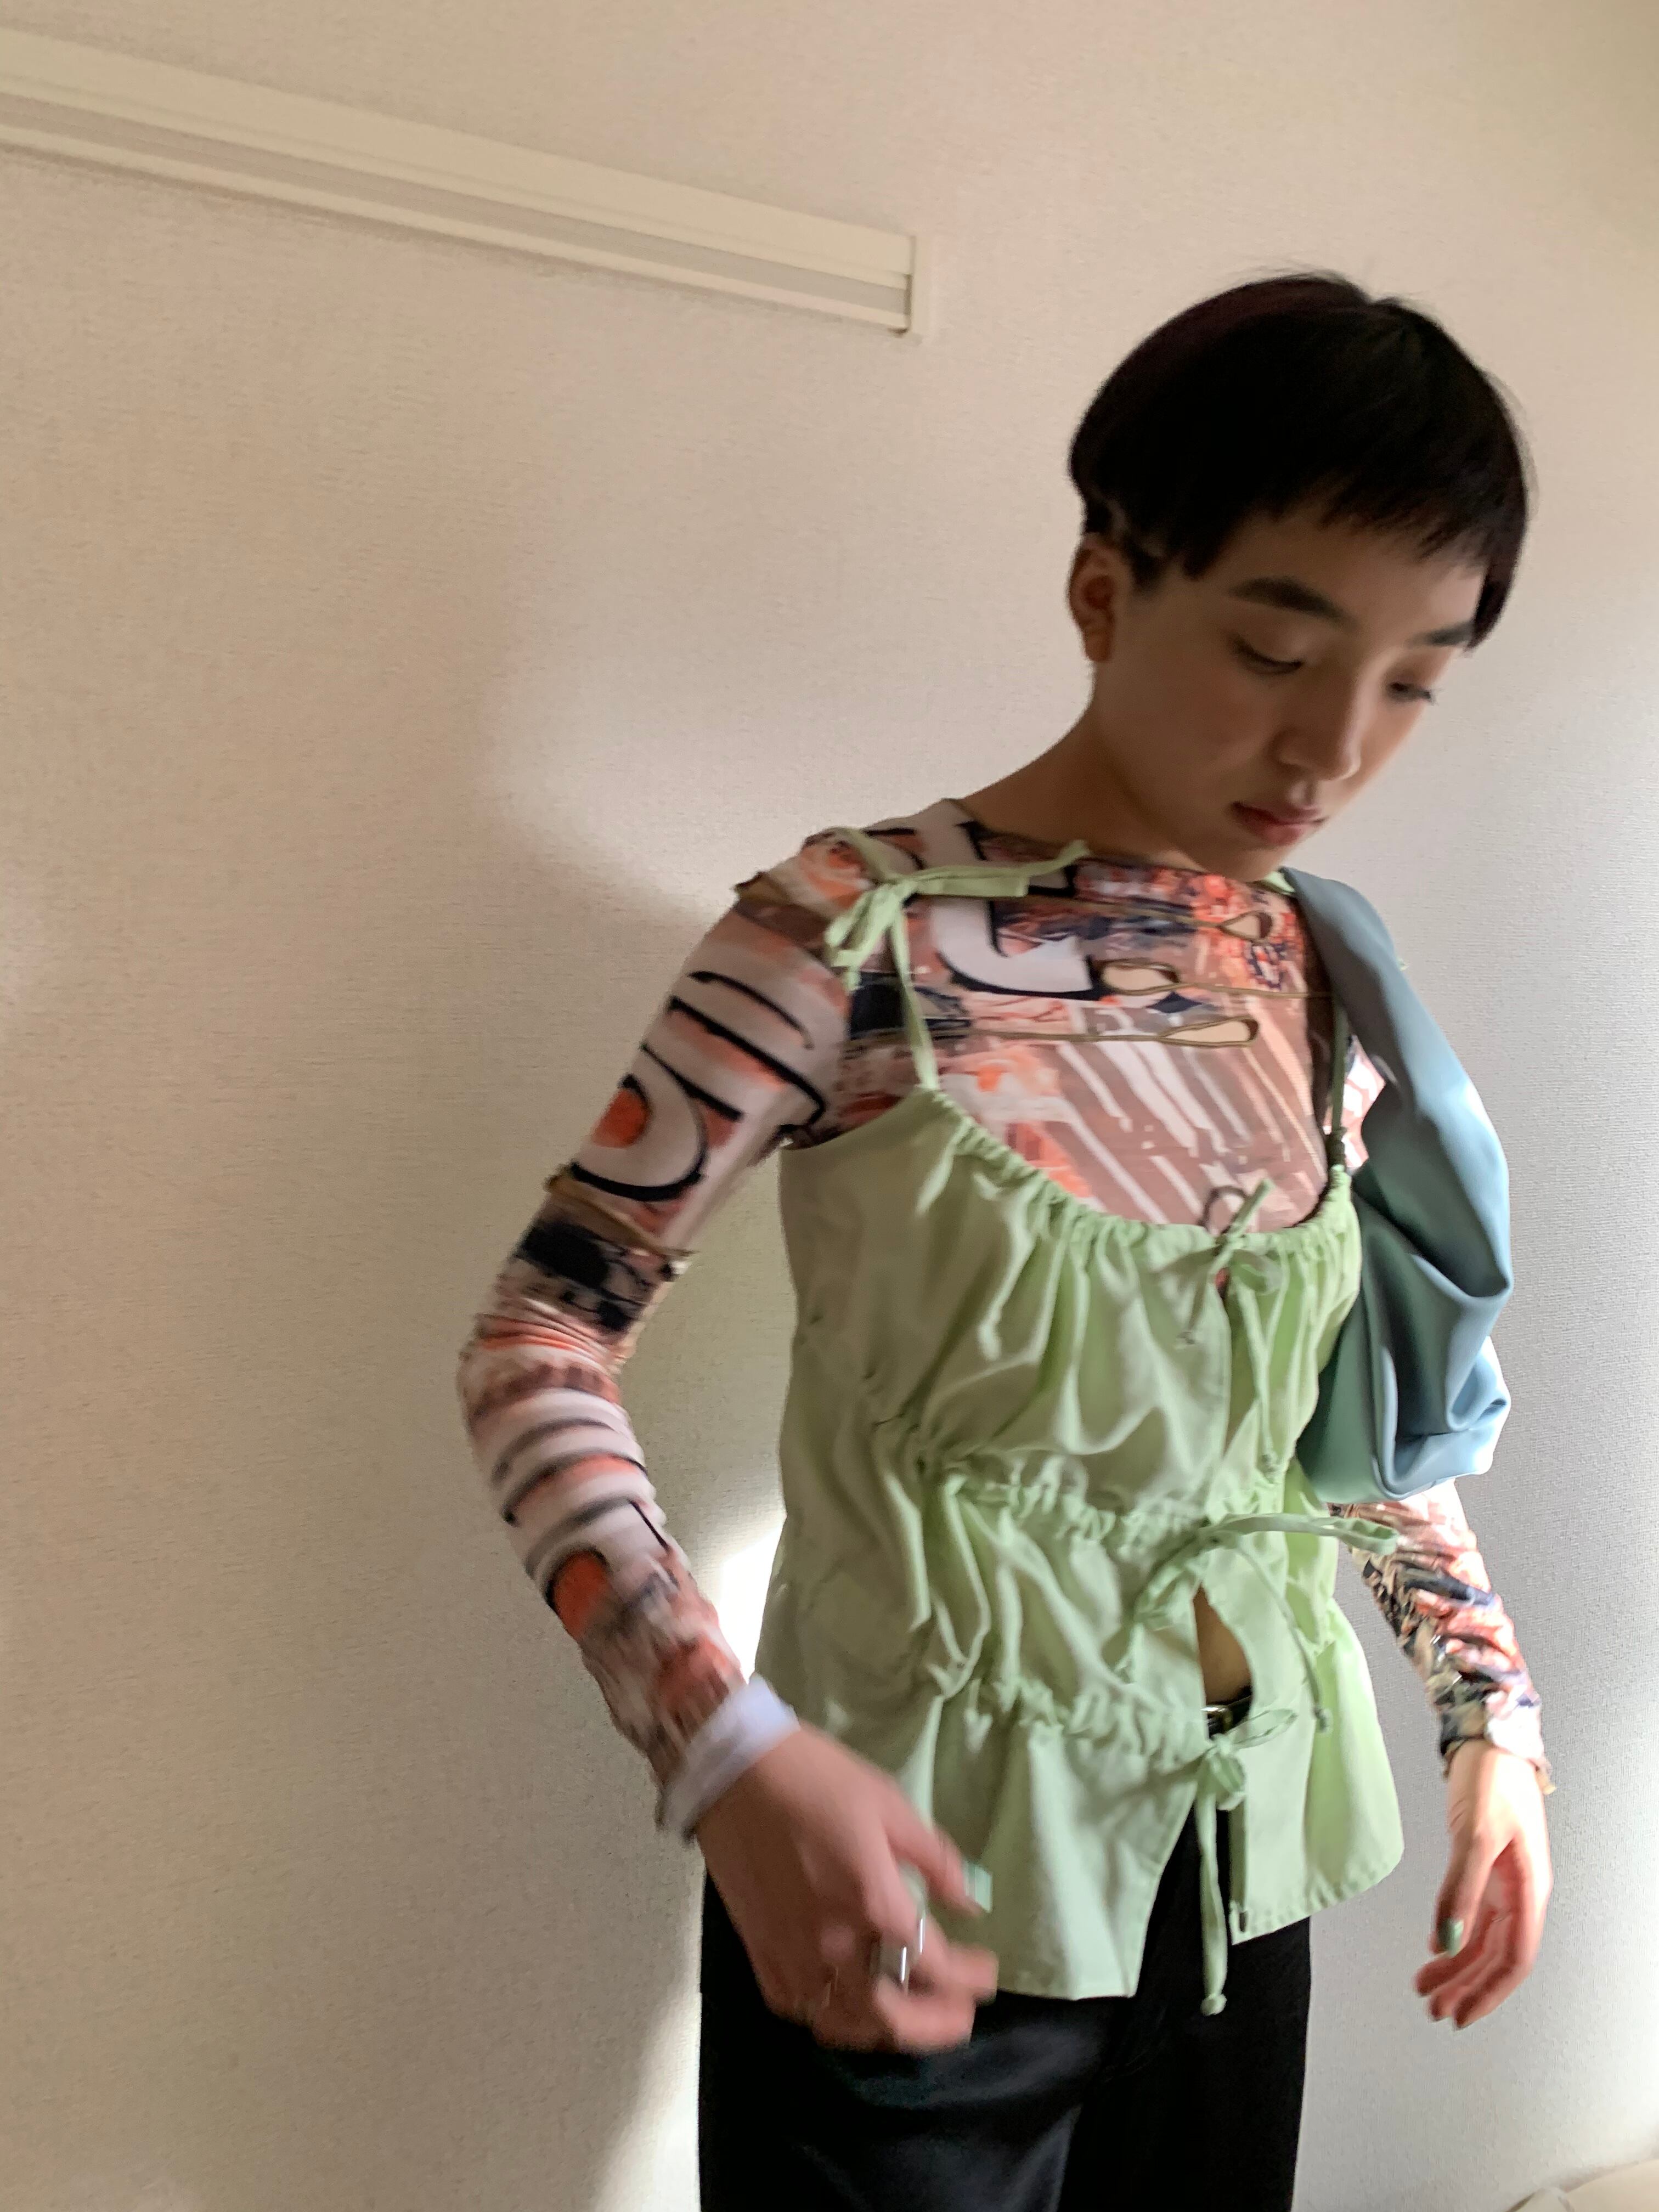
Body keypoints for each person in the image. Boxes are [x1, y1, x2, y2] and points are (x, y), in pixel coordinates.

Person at [455, 271, 1554, 2210]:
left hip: (1239, 1875)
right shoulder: (843, 941)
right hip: (915, 1880)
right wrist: (722, 1753)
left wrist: (1494, 1714)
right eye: (1276, 646)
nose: (1333, 747)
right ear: (1105, 590)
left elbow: (1334, 1415)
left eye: (1412, 681)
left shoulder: (1312, 974)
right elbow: (539, 1345)